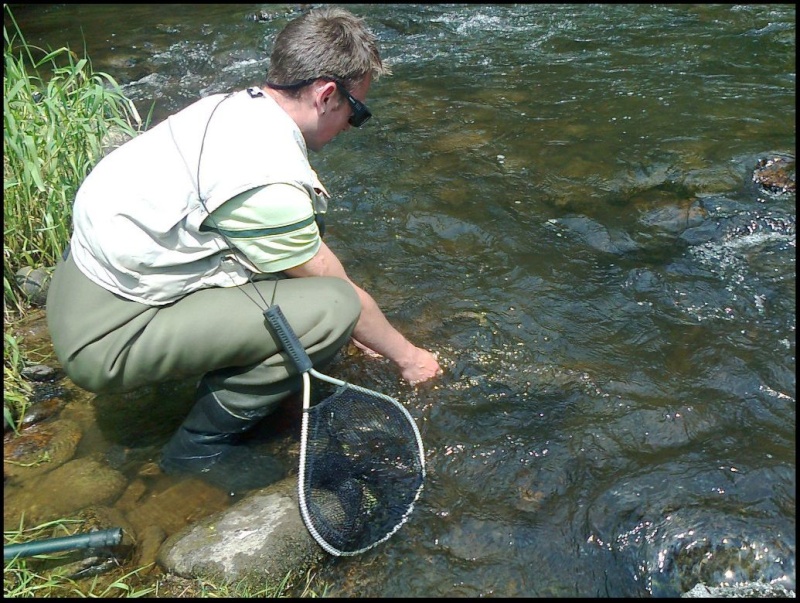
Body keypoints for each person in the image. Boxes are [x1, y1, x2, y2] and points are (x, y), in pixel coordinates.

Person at [46, 6, 442, 492]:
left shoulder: (236, 106)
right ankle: (198, 449)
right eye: (356, 113)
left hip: (79, 286)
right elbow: (337, 291)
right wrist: (410, 358)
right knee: (332, 310)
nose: (349, 127)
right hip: (102, 337)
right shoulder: (265, 176)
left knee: (302, 286)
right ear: (325, 95)